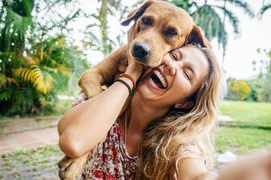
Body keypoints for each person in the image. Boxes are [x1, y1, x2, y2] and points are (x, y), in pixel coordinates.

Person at [58, 44, 225, 179]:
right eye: (174, 56)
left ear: (185, 103)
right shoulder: (101, 97)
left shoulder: (177, 144)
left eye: (187, 74)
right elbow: (73, 142)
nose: (172, 65)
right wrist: (133, 72)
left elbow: (195, 173)